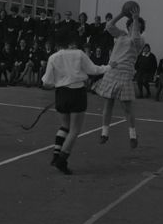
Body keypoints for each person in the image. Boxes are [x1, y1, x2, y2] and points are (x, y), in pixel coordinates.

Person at [42, 32, 114, 175]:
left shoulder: (53, 57)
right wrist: (110, 66)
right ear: (71, 42)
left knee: (65, 126)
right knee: (75, 130)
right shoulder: (79, 54)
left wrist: (59, 84)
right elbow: (94, 70)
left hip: (61, 93)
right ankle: (62, 160)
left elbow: (46, 83)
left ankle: (56, 155)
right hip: (77, 93)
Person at [96, 6, 145, 148]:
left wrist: (136, 19)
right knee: (108, 104)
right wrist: (122, 14)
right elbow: (109, 26)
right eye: (130, 25)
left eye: (137, 26)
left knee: (127, 108)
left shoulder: (140, 40)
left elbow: (135, 37)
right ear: (127, 26)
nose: (133, 27)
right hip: (113, 71)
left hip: (125, 73)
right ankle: (104, 133)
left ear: (140, 28)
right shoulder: (121, 35)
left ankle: (133, 136)